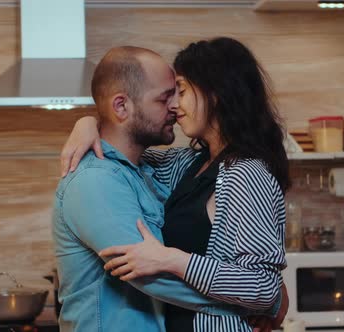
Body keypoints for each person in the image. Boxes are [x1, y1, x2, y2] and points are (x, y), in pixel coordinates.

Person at [59, 37, 289, 332]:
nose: (175, 106)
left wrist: (174, 260)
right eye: (167, 96)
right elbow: (125, 148)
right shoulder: (185, 165)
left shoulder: (246, 173)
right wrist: (87, 123)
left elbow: (263, 286)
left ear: (216, 93)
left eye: (180, 91)